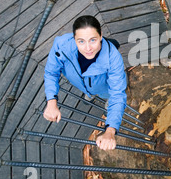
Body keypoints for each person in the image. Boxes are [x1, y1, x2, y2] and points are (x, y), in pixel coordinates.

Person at [43, 15, 127, 151]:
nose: (88, 48)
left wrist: (110, 131)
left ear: (101, 36)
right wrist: (51, 101)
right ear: (74, 38)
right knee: (89, 90)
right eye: (81, 41)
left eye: (93, 40)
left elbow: (117, 94)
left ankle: (102, 98)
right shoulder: (61, 45)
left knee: (109, 97)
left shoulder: (113, 58)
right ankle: (90, 93)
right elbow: (51, 72)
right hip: (81, 83)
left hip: (104, 87)